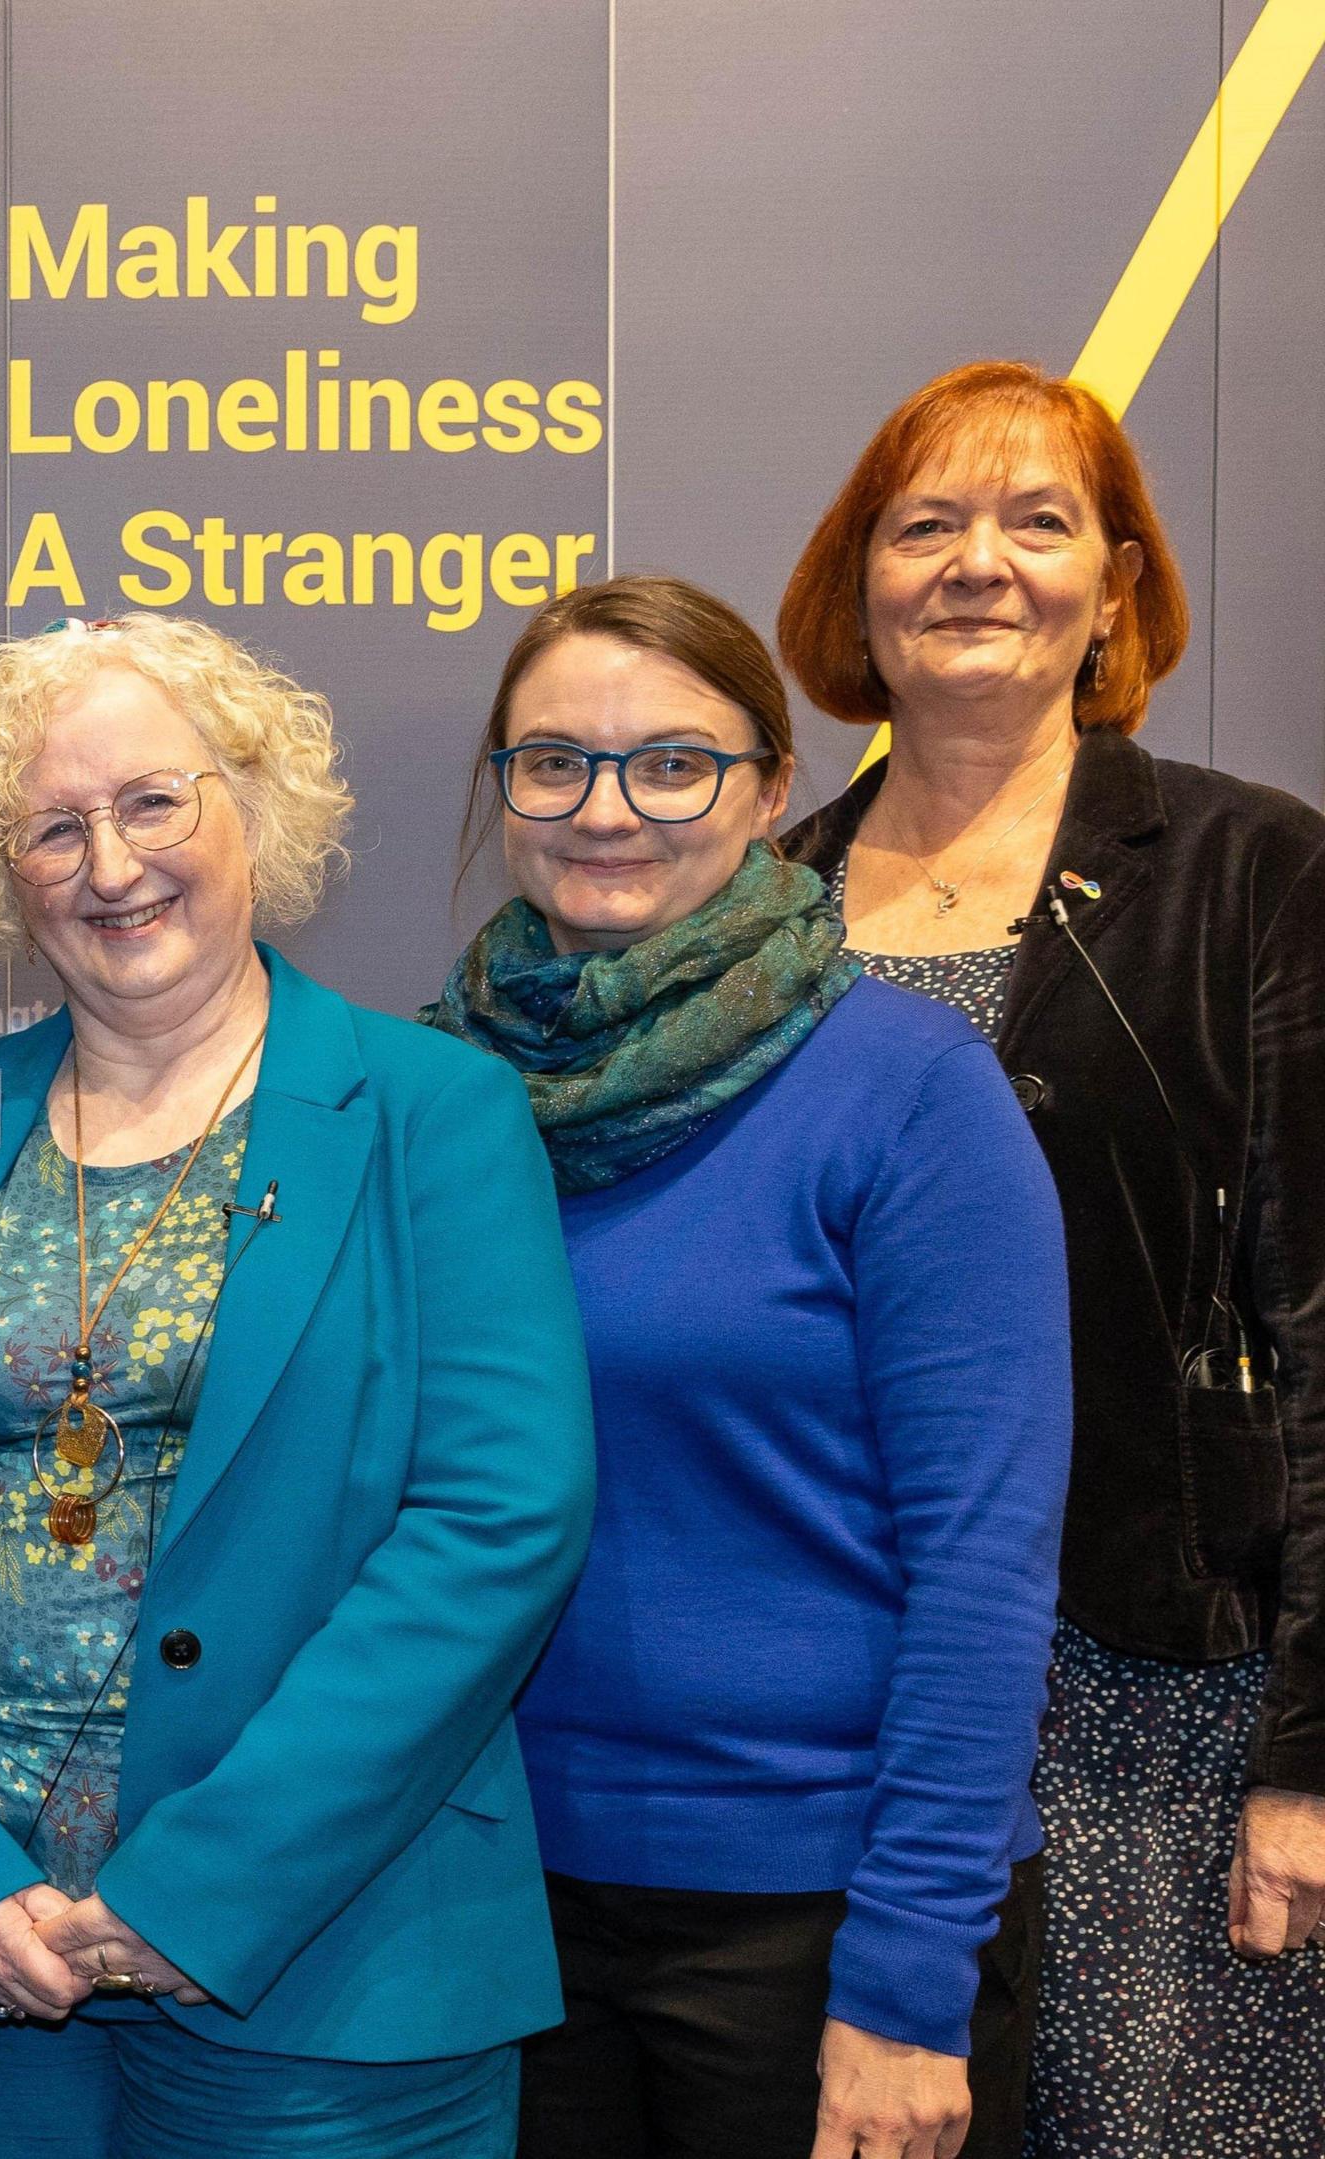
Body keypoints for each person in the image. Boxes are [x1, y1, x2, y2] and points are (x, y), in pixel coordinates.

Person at [0, 613, 596, 2157]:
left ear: (256, 808)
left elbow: (503, 1520)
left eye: (157, 802)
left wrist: (206, 1883)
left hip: (332, 1955)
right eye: (54, 827)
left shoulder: (435, 1109)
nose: (111, 865)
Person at [427, 576, 1068, 2159]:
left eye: (674, 762)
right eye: (555, 760)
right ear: (501, 787)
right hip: (491, 1897)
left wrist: (912, 1982)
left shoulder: (912, 1093)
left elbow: (984, 1571)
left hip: (819, 1920)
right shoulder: (430, 1091)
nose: (608, 810)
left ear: (773, 789)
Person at [772, 360, 1325, 2156]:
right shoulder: (761, 907)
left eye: (1038, 522)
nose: (977, 565)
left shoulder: (1254, 872)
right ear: (856, 582)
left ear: (1117, 584)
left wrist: (1310, 1754)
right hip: (842, 1692)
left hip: (1157, 1688)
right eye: (923, 524)